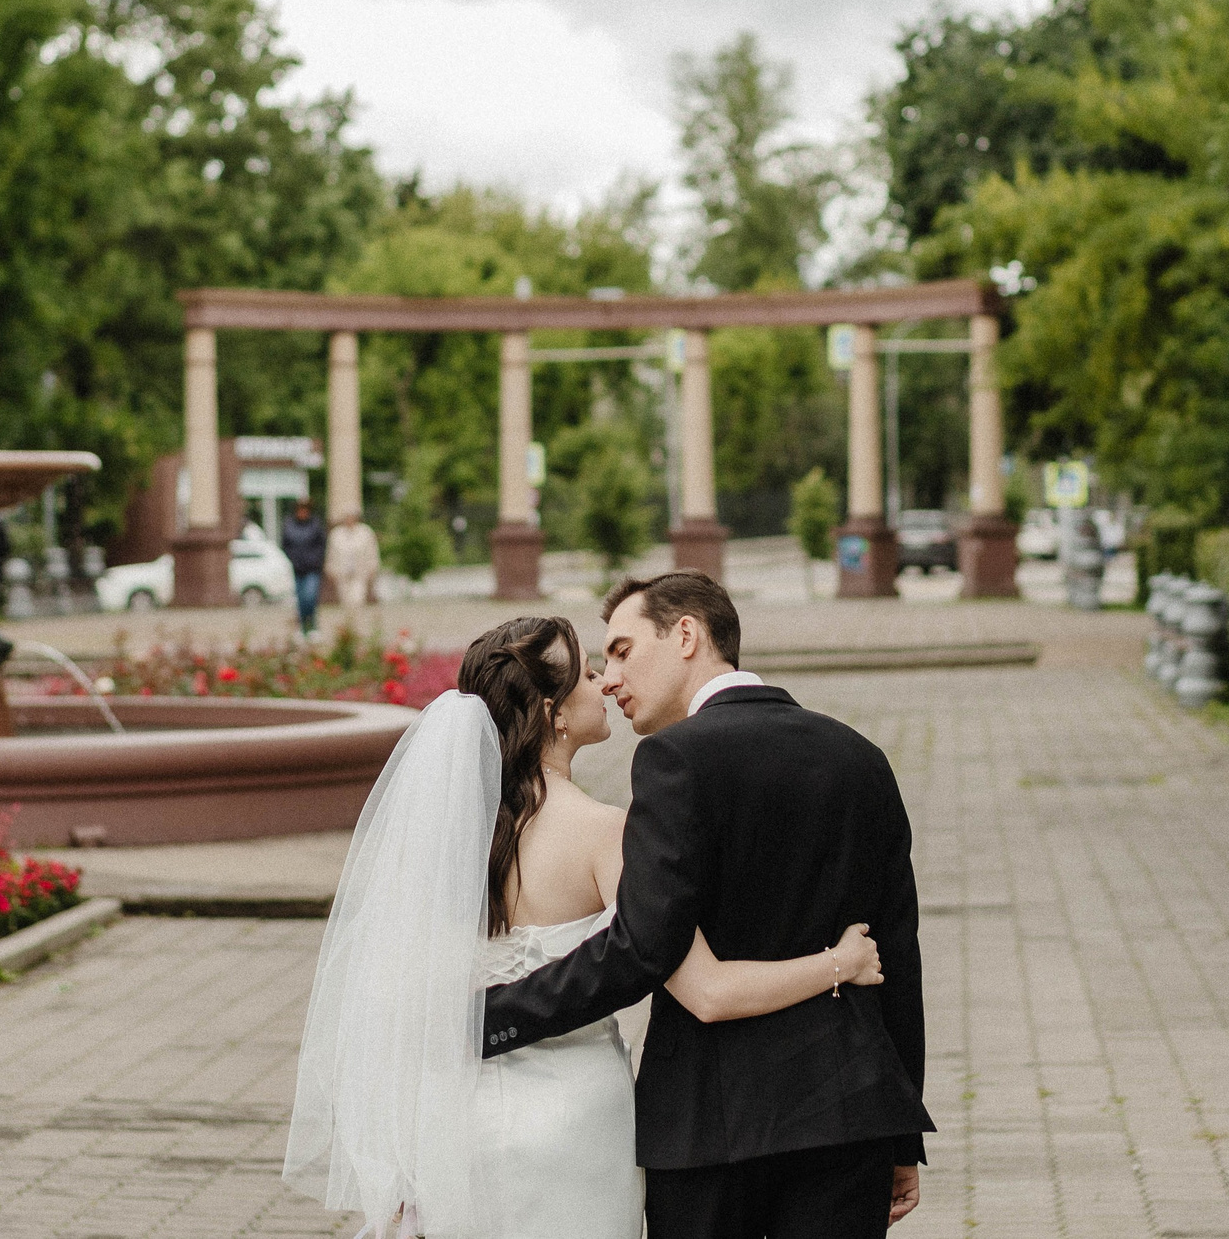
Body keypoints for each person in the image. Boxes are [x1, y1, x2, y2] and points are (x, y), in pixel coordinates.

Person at [286, 613, 888, 1239]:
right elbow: (706, 992)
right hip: (572, 1122)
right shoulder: (605, 833)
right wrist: (839, 963)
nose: (605, 682)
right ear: (555, 715)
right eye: (588, 674)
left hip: (456, 1124)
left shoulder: (446, 842)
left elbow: (401, 997)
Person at [484, 573, 930, 1237]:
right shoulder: (860, 756)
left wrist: (490, 1017)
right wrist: (900, 1134)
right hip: (850, 1116)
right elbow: (897, 948)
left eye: (624, 650)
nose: (610, 678)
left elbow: (642, 947)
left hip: (709, 1128)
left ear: (687, 634)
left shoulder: (673, 758)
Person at [323, 509, 382, 636]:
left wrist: (373, 567)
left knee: (357, 600)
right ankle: (349, 629)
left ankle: (358, 629)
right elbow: (331, 553)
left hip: (360, 574)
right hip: (342, 574)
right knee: (346, 602)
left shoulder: (365, 532)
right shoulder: (336, 534)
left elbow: (372, 551)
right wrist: (330, 568)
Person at [280, 497, 327, 635]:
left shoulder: (315, 524)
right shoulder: (289, 525)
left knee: (310, 597)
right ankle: (302, 627)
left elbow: (322, 545)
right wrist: (293, 558)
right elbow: (285, 544)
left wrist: (316, 560)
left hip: (312, 568)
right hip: (297, 568)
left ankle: (312, 625)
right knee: (300, 599)